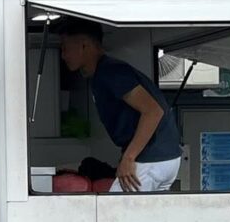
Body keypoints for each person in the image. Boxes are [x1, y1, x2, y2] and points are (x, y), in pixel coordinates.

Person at [59, 25, 182, 192]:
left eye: (65, 48)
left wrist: (128, 158)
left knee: (115, 208)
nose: (63, 55)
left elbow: (153, 111)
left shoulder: (110, 72)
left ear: (84, 45)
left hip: (150, 158)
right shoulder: (103, 73)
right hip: (164, 157)